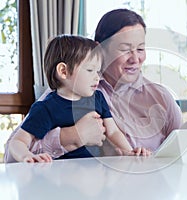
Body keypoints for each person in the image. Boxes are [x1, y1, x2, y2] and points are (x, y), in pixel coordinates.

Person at [4, 9, 182, 162]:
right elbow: (10, 158)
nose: (135, 59)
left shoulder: (162, 98)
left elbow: (181, 153)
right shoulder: (65, 92)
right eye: (125, 49)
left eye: (141, 49)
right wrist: (71, 136)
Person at [8, 34, 150, 163]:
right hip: (58, 177)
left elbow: (113, 132)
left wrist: (129, 152)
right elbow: (18, 141)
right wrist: (26, 156)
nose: (97, 77)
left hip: (94, 174)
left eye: (98, 71)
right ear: (63, 71)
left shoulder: (98, 98)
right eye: (90, 70)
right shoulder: (45, 108)